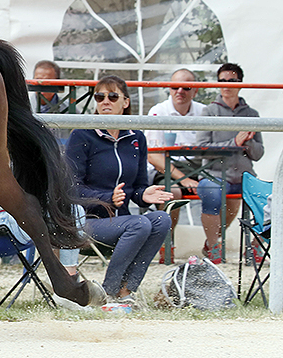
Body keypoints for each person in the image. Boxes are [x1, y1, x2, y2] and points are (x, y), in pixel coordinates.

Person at [65, 75, 173, 307]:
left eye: (113, 96)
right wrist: (107, 198)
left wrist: (143, 194)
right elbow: (71, 189)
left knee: (162, 219)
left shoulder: (136, 137)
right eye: (100, 96)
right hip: (86, 221)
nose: (105, 101)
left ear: (125, 102)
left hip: (122, 223)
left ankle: (126, 291)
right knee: (139, 224)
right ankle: (109, 293)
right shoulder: (82, 135)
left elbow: (136, 188)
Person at [0, 162, 88, 309]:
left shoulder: (2, 151)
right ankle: (65, 286)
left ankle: (67, 281)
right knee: (46, 217)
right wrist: (6, 198)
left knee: (72, 210)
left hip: (13, 214)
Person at [194, 62, 264, 264]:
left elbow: (258, 154)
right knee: (212, 192)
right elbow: (202, 149)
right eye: (222, 81)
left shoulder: (252, 114)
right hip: (214, 175)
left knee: (265, 197)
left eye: (231, 81)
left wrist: (248, 143)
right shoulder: (209, 112)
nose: (226, 85)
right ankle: (214, 244)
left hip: (242, 176)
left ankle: (255, 247)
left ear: (240, 84)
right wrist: (234, 143)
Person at [144, 68, 206, 264]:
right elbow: (154, 157)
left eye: (186, 87)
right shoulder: (157, 112)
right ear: (168, 89)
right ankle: (166, 245)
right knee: (173, 193)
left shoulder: (205, 112)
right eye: (174, 86)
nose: (180, 90)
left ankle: (214, 243)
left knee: (221, 188)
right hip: (167, 170)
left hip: (199, 168)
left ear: (195, 91)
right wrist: (184, 178)